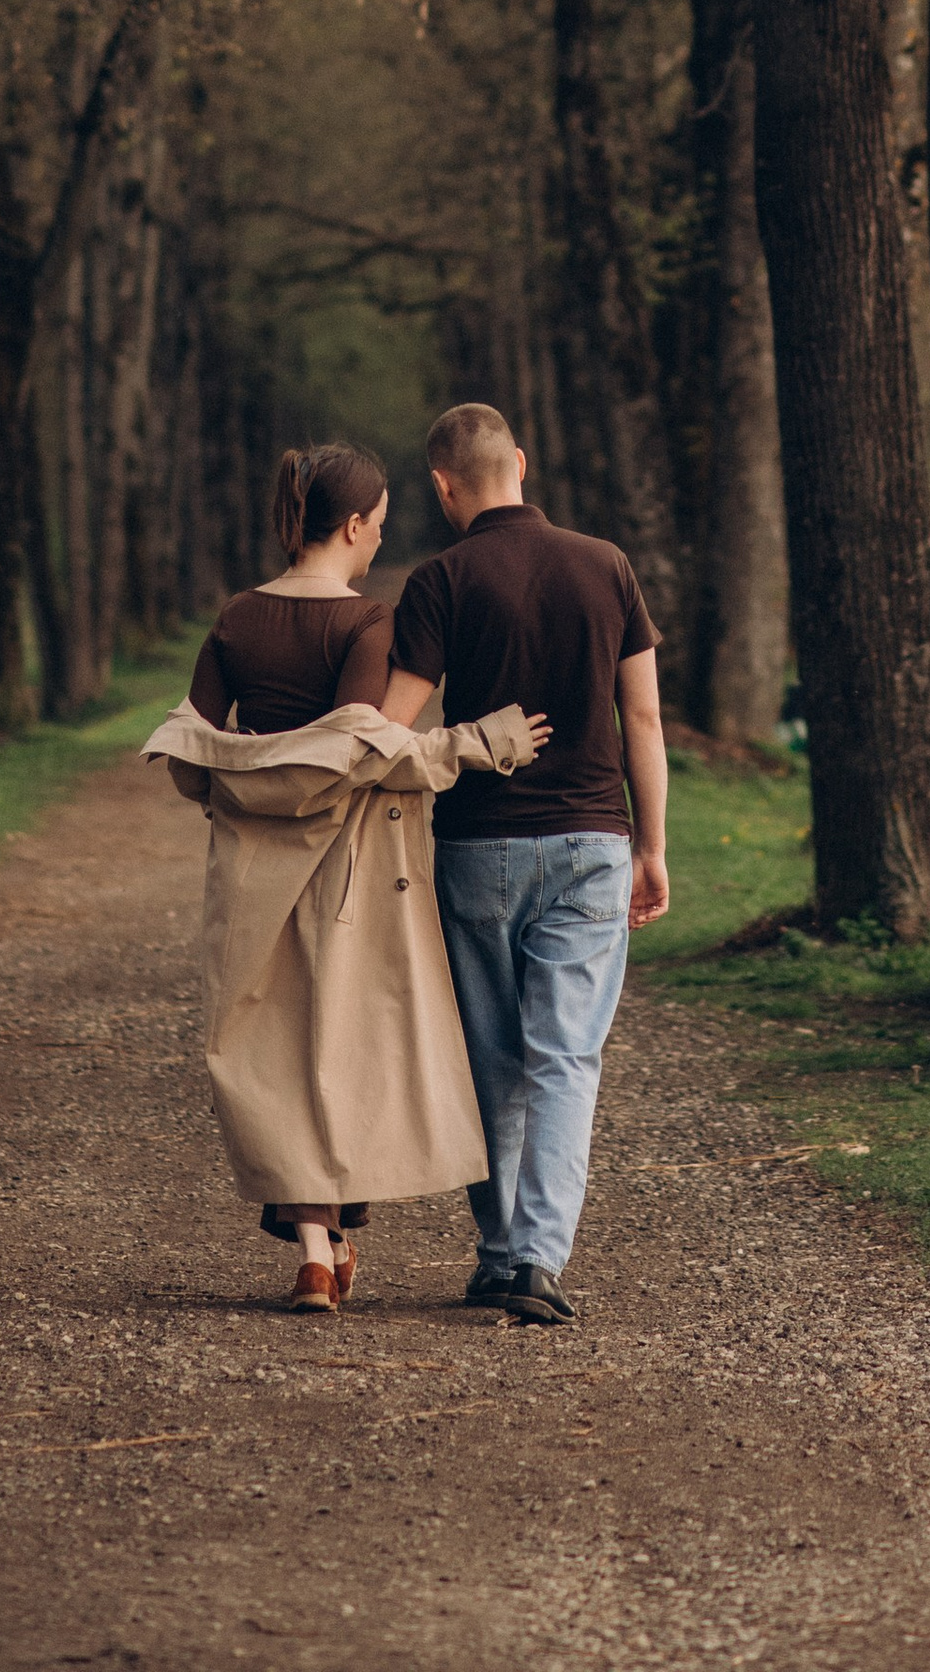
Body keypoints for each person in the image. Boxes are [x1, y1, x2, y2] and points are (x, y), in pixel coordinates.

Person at [154, 441, 549, 1314]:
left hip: (249, 869)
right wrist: (480, 743)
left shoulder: (235, 618)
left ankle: (316, 1250)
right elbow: (364, 753)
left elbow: (192, 750)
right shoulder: (367, 623)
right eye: (378, 526)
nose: (379, 542)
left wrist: (245, 782)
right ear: (356, 524)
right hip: (348, 870)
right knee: (339, 1050)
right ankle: (324, 1246)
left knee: (273, 1052)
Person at [381, 402, 669, 1330]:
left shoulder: (440, 580)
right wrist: (653, 846)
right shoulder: (607, 565)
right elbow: (643, 718)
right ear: (523, 463)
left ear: (442, 486)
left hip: (478, 850)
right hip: (593, 843)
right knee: (565, 1057)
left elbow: (389, 731)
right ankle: (539, 1259)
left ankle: (500, 1253)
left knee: (492, 1060)